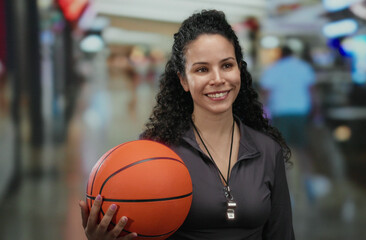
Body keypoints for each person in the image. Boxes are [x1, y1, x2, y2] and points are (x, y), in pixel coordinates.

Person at [80, 10, 295, 240]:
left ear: (239, 70)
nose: (218, 79)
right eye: (202, 69)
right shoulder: (155, 150)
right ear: (183, 79)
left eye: (227, 65)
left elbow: (281, 234)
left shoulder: (267, 150)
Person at [260, 45, 316, 203]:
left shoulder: (273, 69)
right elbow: (312, 91)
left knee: (283, 153)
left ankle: (287, 192)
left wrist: (262, 113)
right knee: (303, 149)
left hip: (281, 114)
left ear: (280, 54)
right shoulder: (304, 68)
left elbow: (266, 94)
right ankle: (308, 184)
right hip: (301, 113)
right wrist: (317, 111)